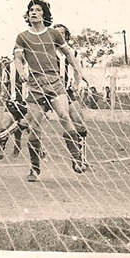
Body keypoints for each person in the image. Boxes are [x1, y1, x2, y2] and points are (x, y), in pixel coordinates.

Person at [12, 0, 87, 182]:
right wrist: (21, 72)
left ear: (44, 14)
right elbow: (18, 59)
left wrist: (79, 72)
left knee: (64, 116)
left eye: (38, 9)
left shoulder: (54, 34)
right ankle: (34, 168)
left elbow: (69, 54)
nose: (34, 12)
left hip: (54, 82)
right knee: (34, 128)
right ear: (28, 14)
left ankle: (76, 158)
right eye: (31, 10)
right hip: (35, 85)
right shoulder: (22, 37)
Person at [52, 24, 90, 166]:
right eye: (56, 33)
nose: (59, 35)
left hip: (67, 92)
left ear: (66, 36)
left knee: (80, 124)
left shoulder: (72, 52)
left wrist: (76, 83)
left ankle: (80, 158)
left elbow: (76, 69)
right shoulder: (47, 51)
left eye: (62, 33)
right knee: (29, 123)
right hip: (50, 91)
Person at [0, 54, 29, 162]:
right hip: (12, 102)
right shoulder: (8, 67)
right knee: (5, 125)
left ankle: (40, 153)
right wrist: (3, 93)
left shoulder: (31, 66)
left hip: (28, 103)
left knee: (30, 129)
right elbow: (5, 83)